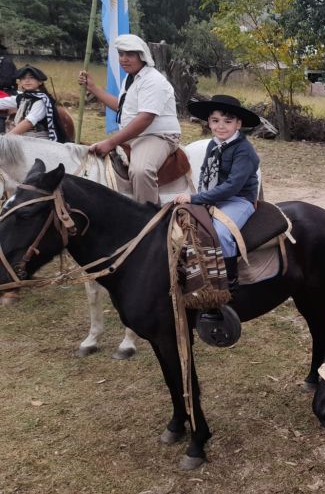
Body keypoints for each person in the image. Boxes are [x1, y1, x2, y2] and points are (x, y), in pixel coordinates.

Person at [173, 95, 261, 347]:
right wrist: (199, 199)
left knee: (221, 233)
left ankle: (229, 284)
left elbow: (233, 186)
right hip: (213, 197)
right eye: (215, 120)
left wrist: (196, 198)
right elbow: (206, 176)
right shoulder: (214, 145)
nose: (221, 125)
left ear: (238, 124)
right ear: (209, 123)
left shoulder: (244, 150)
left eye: (228, 120)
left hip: (238, 200)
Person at [78, 34, 181, 205]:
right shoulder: (131, 77)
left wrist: (110, 143)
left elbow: (145, 118)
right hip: (136, 135)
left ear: (142, 56)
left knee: (141, 170)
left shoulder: (153, 80)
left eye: (130, 55)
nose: (124, 59)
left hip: (158, 136)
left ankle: (149, 218)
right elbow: (122, 107)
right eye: (121, 54)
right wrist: (93, 88)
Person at [0, 65, 72, 142]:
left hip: (38, 138)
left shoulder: (42, 100)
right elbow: (2, 102)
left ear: (40, 82)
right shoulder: (22, 98)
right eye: (24, 78)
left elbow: (28, 122)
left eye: (31, 77)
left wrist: (6, 139)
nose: (27, 81)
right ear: (20, 82)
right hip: (24, 136)